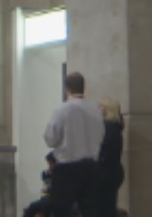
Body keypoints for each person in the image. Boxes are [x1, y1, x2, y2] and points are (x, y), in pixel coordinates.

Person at [42, 72, 103, 217]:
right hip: (91, 166)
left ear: (67, 88)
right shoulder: (95, 111)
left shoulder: (62, 110)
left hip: (67, 168)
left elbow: (51, 139)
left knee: (61, 210)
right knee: (90, 211)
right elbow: (101, 136)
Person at [93, 99, 124, 217]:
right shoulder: (116, 127)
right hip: (112, 171)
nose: (97, 109)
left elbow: (103, 151)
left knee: (102, 209)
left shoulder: (108, 128)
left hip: (105, 174)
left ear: (107, 109)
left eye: (100, 106)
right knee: (108, 207)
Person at [21, 152, 57, 217]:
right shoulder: (49, 173)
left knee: (41, 206)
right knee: (32, 206)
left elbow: (61, 189)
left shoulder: (62, 174)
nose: (49, 167)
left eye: (51, 164)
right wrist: (48, 175)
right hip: (48, 198)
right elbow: (45, 179)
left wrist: (48, 190)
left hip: (56, 199)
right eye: (49, 164)